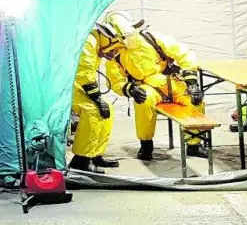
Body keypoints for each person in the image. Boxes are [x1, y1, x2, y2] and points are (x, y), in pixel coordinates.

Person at [98, 12, 206, 161]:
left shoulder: (151, 37)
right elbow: (115, 81)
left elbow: (184, 54)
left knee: (195, 99)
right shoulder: (115, 55)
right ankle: (146, 144)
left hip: (171, 80)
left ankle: (194, 144)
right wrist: (129, 89)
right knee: (143, 100)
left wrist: (192, 83)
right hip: (147, 86)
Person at [70, 19, 125, 171]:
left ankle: (95, 154)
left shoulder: (96, 43)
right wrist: (97, 99)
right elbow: (84, 73)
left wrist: (99, 99)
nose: (113, 52)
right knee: (92, 111)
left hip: (77, 85)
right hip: (66, 88)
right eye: (114, 47)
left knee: (108, 109)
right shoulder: (89, 42)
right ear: (108, 37)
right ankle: (81, 159)